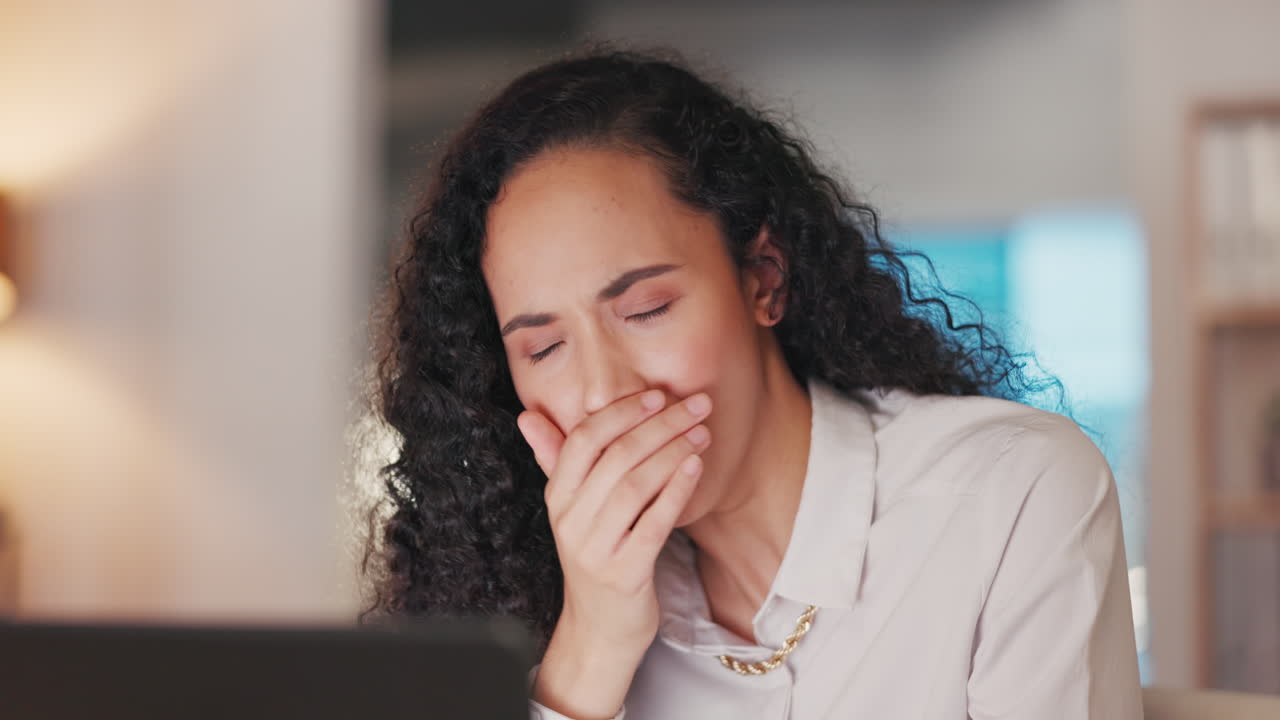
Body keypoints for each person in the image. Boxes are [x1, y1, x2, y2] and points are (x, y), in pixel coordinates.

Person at [360, 46, 1143, 719]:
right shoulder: (535, 612)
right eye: (544, 348)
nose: (603, 393)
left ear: (764, 278)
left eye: (647, 309)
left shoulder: (1008, 493)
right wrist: (592, 644)